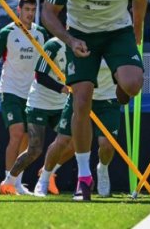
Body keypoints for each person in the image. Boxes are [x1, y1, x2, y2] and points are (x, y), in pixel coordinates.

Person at [41, 0, 147, 201]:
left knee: (133, 84)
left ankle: (120, 85)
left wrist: (136, 36)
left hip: (117, 32)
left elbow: (140, 0)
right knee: (82, 100)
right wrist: (70, 40)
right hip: (82, 34)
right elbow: (48, 13)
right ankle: (84, 177)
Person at [0, 0, 48, 195]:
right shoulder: (7, 32)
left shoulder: (41, 34)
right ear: (18, 10)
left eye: (32, 10)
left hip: (32, 92)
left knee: (28, 138)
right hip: (10, 90)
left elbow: (46, 64)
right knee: (17, 133)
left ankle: (16, 181)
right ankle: (7, 180)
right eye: (26, 10)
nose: (29, 14)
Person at [34, 60, 121, 198]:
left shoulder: (113, 43)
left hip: (108, 99)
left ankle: (103, 169)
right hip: (79, 96)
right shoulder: (82, 41)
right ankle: (44, 178)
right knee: (62, 141)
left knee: (107, 145)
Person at [0, 37, 72, 195]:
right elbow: (40, 75)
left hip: (61, 105)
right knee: (35, 149)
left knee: (72, 142)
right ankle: (8, 182)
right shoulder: (53, 45)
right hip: (39, 103)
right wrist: (62, 88)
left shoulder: (81, 47)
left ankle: (47, 172)